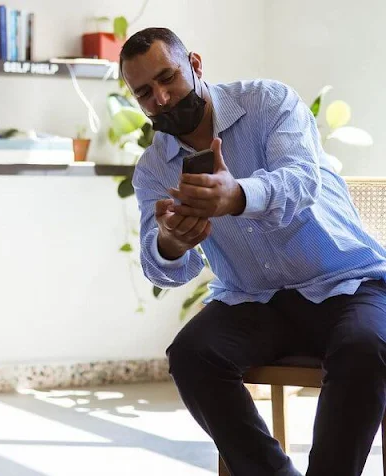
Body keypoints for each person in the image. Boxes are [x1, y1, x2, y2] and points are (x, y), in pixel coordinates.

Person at [121, 27, 386, 476]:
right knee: (192, 355)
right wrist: (172, 242)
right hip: (256, 300)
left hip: (347, 282)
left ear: (196, 65)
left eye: (168, 78)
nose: (161, 98)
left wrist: (237, 195)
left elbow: (301, 180)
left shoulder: (268, 102)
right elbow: (161, 266)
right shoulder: (152, 170)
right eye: (145, 93)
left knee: (365, 348)